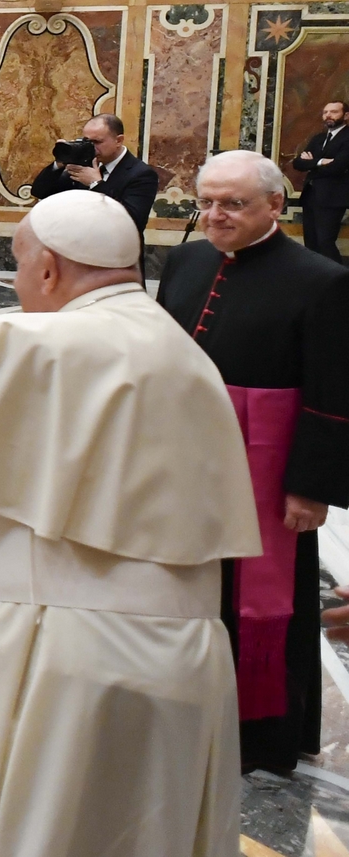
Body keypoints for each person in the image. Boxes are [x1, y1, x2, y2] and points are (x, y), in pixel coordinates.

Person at [0, 190, 260, 857]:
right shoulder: (187, 356)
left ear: (47, 268)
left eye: (18, 266)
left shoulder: (43, 342)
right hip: (186, 662)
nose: (18, 284)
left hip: (61, 659)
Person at [157, 149, 349, 774]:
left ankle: (261, 734)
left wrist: (310, 487)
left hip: (264, 467)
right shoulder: (184, 260)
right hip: (182, 456)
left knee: (259, 597)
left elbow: (333, 392)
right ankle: (181, 707)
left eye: (232, 203)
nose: (214, 215)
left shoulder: (321, 279)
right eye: (206, 201)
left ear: (275, 205)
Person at [28, 113, 159, 245]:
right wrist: (60, 162)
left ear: (118, 140)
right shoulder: (85, 163)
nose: (92, 147)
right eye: (87, 141)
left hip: (116, 257)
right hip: (78, 252)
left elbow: (132, 221)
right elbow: (40, 192)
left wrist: (96, 184)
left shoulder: (142, 174)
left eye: (97, 142)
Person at [292, 99, 348, 263]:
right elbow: (298, 163)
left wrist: (312, 162)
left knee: (325, 242)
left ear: (346, 115)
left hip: (332, 198)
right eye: (325, 112)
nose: (328, 115)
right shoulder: (318, 138)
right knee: (311, 243)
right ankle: (316, 280)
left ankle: (339, 282)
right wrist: (320, 161)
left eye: (334, 112)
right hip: (311, 196)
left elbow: (338, 166)